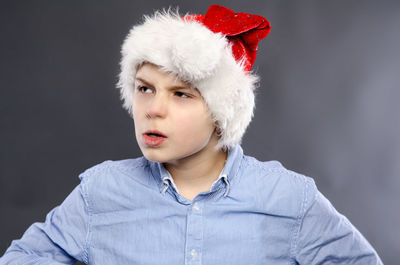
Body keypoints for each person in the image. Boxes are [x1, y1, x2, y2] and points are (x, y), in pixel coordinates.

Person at [0, 4, 383, 265]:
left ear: (221, 113)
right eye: (145, 88)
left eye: (181, 94)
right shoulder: (101, 192)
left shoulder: (288, 198)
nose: (153, 109)